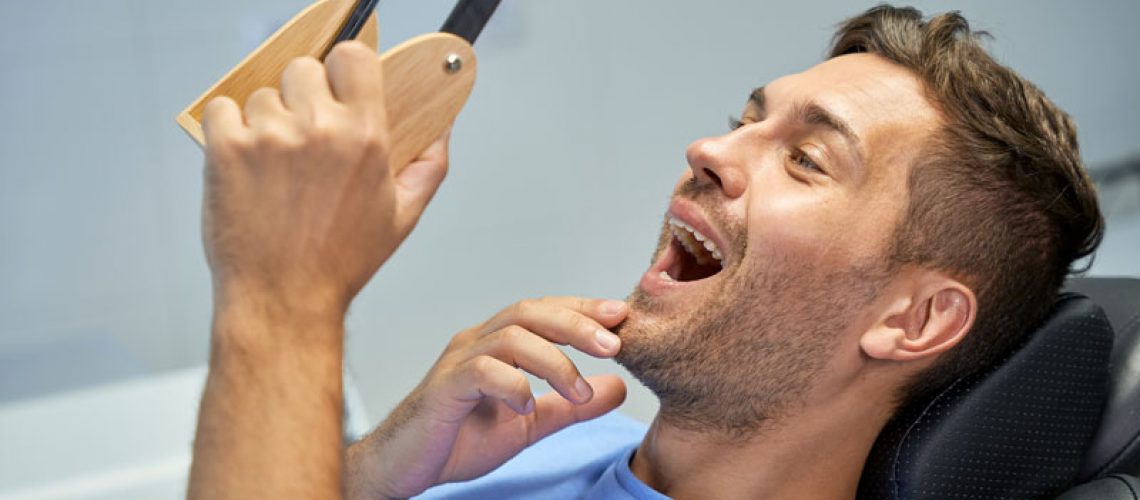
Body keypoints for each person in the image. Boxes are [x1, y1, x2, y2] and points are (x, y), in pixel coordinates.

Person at [187, 5, 1103, 500]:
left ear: (914, 318)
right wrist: (375, 474)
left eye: (806, 159)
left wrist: (281, 297)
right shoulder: (533, 448)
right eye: (744, 120)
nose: (708, 150)